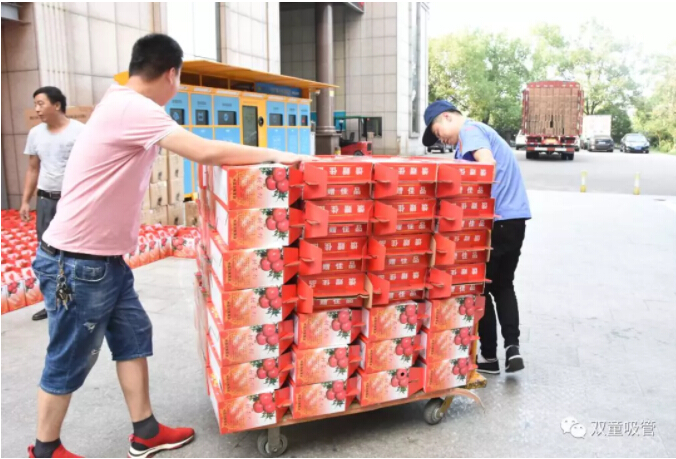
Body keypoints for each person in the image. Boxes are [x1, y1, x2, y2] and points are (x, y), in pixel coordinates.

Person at [29, 33, 309, 459]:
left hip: (103, 262)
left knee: (133, 337)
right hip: (79, 264)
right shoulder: (135, 108)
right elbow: (204, 151)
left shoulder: (118, 100)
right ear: (171, 74)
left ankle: (145, 431)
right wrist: (275, 154)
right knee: (68, 358)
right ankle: (45, 449)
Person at [422, 100, 530, 375]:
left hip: (495, 223)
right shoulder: (472, 138)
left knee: (479, 288)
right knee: (503, 285)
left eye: (437, 131)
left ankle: (489, 356)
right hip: (515, 221)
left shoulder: (470, 131)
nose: (440, 139)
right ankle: (513, 348)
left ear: (447, 117)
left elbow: (487, 164)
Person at [21, 87, 84, 322]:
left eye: (41, 104)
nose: (36, 109)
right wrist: (25, 201)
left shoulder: (80, 131)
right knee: (47, 253)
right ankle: (52, 303)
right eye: (35, 104)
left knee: (77, 250)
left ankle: (78, 299)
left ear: (56, 105)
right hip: (46, 200)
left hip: (73, 200)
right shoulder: (35, 133)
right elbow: (32, 168)